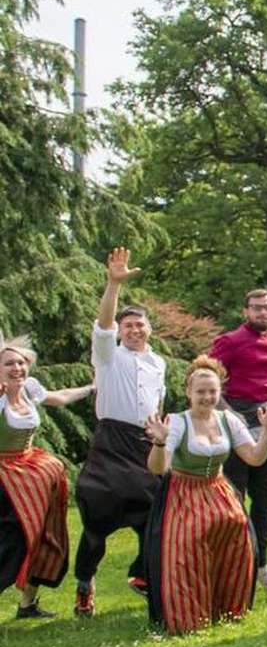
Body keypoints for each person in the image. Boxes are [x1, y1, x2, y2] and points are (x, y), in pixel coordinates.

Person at [141, 356, 267, 634]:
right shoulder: (178, 422)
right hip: (184, 494)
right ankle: (190, 617)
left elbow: (254, 458)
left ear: (220, 392)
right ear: (188, 393)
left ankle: (228, 609)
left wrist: (266, 432)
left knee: (238, 537)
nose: (207, 397)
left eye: (212, 392)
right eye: (201, 392)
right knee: (187, 547)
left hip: (218, 490)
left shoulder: (228, 419)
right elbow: (159, 468)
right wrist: (159, 441)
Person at [73, 247, 168, 617]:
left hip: (144, 444)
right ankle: (85, 584)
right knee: (96, 523)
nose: (133, 329)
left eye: (139, 324)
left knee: (152, 515)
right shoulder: (108, 355)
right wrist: (113, 284)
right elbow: (103, 327)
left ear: (149, 329)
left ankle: (142, 577)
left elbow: (155, 405)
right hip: (110, 445)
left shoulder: (158, 362)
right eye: (127, 325)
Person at [0, 336, 92, 619]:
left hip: (32, 471)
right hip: (4, 476)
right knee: (13, 538)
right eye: (9, 363)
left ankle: (28, 604)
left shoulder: (29, 389)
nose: (17, 367)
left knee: (44, 534)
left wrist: (91, 388)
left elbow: (60, 397)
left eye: (21, 362)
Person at [209, 287, 267, 592]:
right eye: (256, 308)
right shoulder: (230, 341)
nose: (262, 313)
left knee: (264, 498)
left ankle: (262, 563)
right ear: (246, 311)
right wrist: (230, 414)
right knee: (234, 496)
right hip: (235, 419)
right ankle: (236, 561)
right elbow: (210, 379)